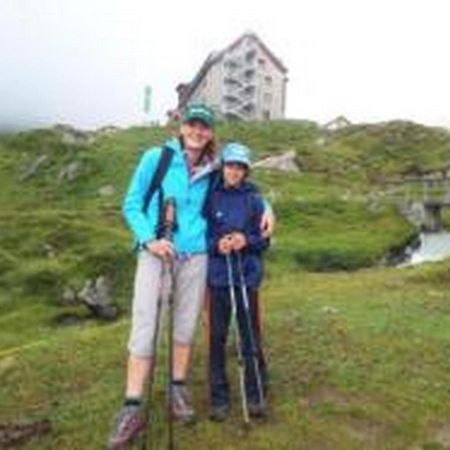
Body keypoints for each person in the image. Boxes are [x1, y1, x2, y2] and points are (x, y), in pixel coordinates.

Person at [108, 104, 274, 449]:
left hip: (196, 256)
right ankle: (132, 406)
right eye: (193, 124)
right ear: (182, 127)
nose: (198, 131)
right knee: (145, 327)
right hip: (158, 252)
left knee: (184, 327)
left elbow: (243, 184)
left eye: (205, 126)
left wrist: (268, 207)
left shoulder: (214, 169)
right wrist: (148, 239)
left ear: (211, 133)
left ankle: (178, 389)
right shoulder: (157, 158)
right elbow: (132, 203)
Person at [204, 143, 269, 422]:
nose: (234, 171)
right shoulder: (210, 196)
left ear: (246, 171)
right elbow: (201, 235)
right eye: (231, 165)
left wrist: (246, 240)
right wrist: (217, 244)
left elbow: (264, 240)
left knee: (249, 335)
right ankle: (219, 397)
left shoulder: (254, 199)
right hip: (219, 278)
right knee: (217, 337)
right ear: (223, 166)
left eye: (240, 167)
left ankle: (255, 393)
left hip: (246, 276)